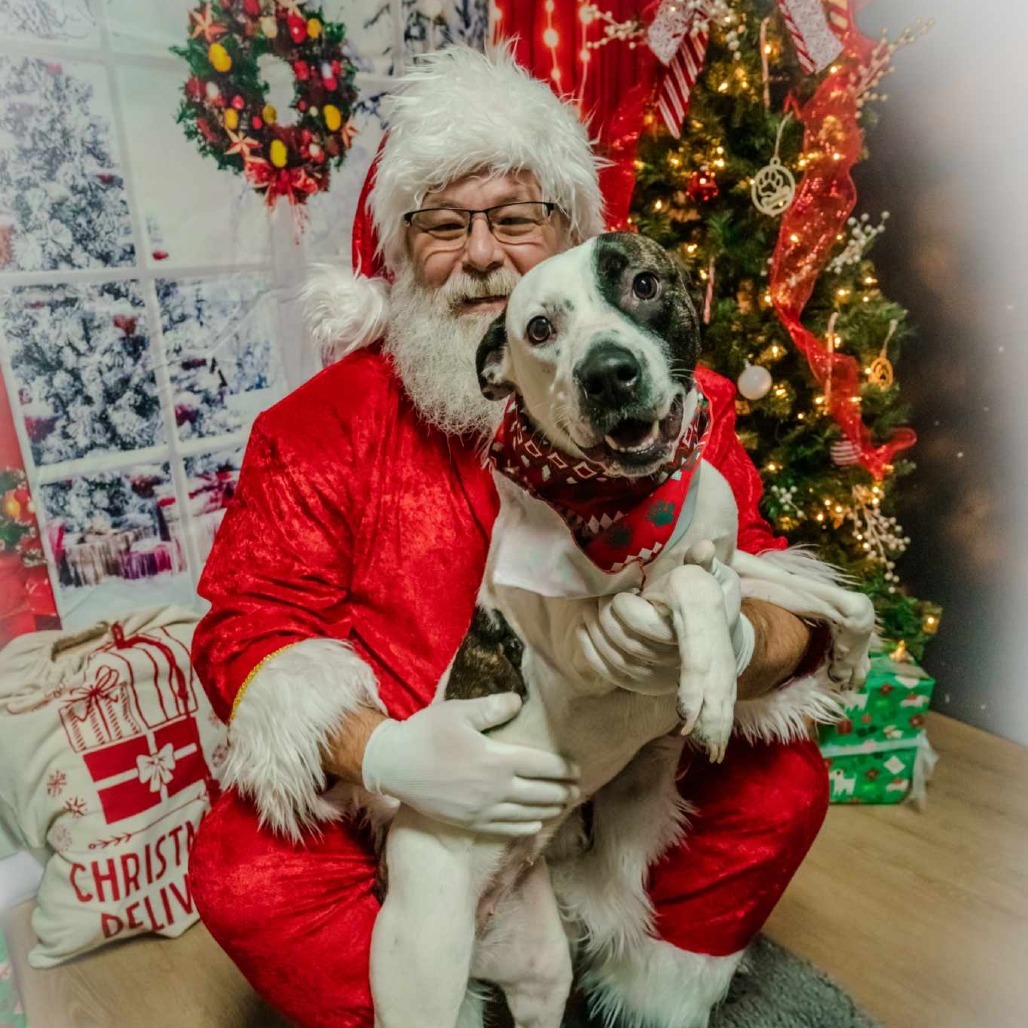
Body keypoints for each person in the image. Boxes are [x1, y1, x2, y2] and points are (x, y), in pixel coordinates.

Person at [189, 47, 848, 1028]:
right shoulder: (314, 429)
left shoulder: (676, 405)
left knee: (781, 785)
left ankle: (639, 993)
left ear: (568, 231)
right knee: (243, 870)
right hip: (426, 802)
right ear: (398, 253)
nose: (485, 254)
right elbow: (245, 626)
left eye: (514, 218)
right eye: (445, 226)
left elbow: (768, 576)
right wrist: (383, 753)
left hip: (626, 759)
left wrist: (744, 641)